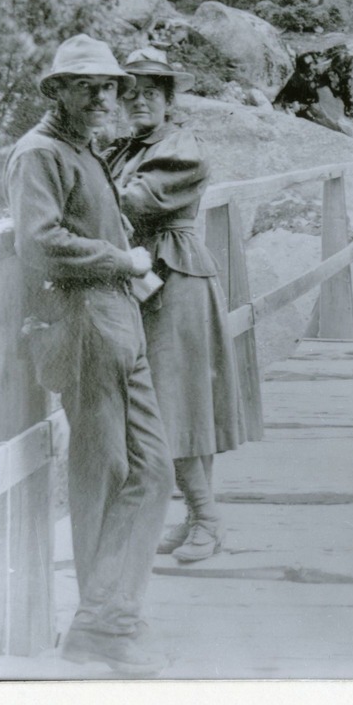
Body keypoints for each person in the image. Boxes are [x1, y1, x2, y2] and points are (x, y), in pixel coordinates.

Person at [6, 34, 172, 673]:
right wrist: (121, 260)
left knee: (153, 470)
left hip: (118, 322)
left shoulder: (83, 148)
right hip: (80, 327)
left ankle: (112, 611)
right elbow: (40, 242)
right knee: (102, 475)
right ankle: (102, 628)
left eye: (109, 86)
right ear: (58, 92)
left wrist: (131, 271)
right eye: (87, 86)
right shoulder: (39, 153)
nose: (103, 96)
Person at [101, 46, 249, 567]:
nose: (138, 102)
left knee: (174, 401)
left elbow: (132, 201)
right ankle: (195, 518)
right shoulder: (128, 148)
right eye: (129, 93)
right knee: (181, 399)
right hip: (152, 277)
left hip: (176, 275)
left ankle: (207, 518)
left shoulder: (179, 145)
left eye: (150, 93)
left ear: (168, 100)